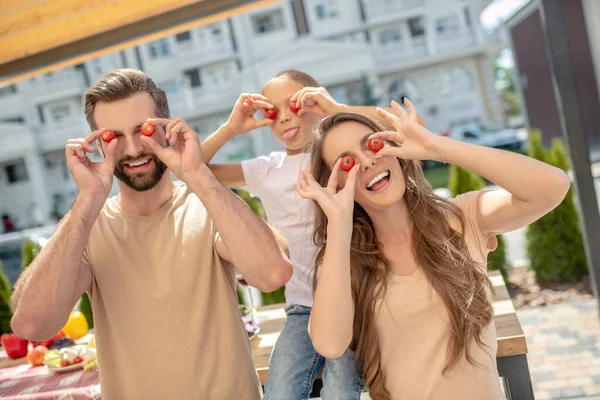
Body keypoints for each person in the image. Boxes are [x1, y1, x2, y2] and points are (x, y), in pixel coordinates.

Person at [10, 69, 293, 400]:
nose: (132, 149)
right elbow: (32, 325)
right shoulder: (85, 227)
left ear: (168, 127)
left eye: (143, 130)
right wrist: (87, 200)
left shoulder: (209, 206)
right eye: (114, 136)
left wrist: (195, 172)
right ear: (99, 143)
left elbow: (273, 273)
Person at [296, 100, 570, 400]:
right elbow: (330, 344)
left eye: (372, 145)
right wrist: (338, 223)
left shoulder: (462, 217)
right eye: (346, 163)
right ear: (333, 185)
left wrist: (438, 147)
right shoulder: (342, 260)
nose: (366, 162)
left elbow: (553, 186)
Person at [200, 70, 424, 399]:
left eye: (295, 104)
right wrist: (231, 128)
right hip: (301, 307)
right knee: (279, 390)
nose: (285, 118)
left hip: (356, 300)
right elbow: (193, 168)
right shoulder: (265, 170)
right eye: (272, 112)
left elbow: (399, 129)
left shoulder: (339, 158)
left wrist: (334, 108)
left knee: (340, 390)